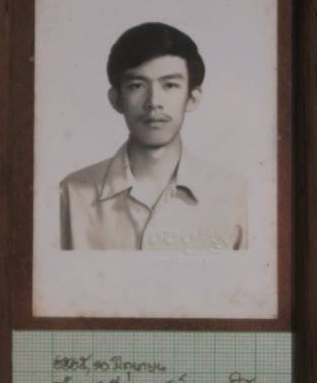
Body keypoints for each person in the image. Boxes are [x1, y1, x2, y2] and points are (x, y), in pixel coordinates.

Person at [60, 22, 247, 251]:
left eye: (170, 85)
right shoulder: (71, 195)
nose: (153, 102)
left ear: (192, 98)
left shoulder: (234, 195)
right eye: (137, 85)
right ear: (116, 99)